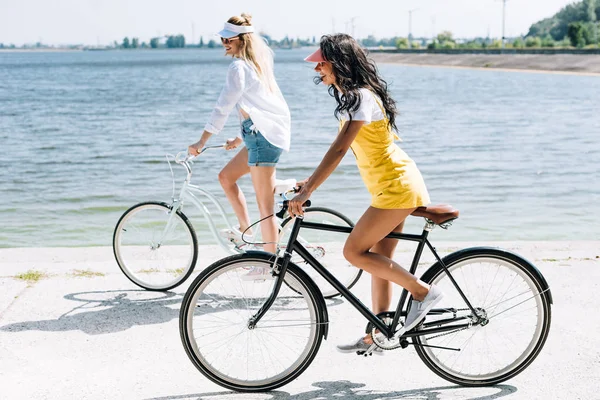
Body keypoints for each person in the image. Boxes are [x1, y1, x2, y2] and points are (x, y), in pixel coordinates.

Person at [289, 34, 444, 354]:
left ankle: (422, 293)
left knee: (354, 252)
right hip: (393, 187)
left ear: (339, 63)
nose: (317, 67)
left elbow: (340, 148)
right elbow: (350, 150)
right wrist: (308, 181)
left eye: (322, 61)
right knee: (380, 260)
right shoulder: (356, 98)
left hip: (396, 189)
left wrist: (307, 191)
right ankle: (380, 332)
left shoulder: (359, 97)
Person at [188, 13, 291, 268]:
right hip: (258, 135)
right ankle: (247, 233)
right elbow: (257, 104)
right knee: (226, 177)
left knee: (264, 207)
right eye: (222, 39)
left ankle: (268, 265)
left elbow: (223, 106)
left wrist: (202, 141)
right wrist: (240, 136)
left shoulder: (240, 67)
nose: (224, 43)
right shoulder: (256, 63)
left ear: (242, 40)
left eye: (228, 39)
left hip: (262, 139)